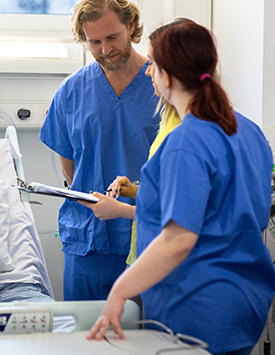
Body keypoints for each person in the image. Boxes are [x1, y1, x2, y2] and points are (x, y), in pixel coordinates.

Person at [84, 23, 275, 355]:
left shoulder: (186, 142)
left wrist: (120, 292)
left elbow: (178, 240)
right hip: (247, 299)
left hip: (198, 301)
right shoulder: (249, 131)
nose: (148, 75)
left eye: (154, 67)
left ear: (168, 77)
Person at [39, 0, 160, 301]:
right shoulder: (71, 91)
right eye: (95, 42)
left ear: (131, 26)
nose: (106, 50)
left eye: (112, 37)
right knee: (85, 339)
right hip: (87, 239)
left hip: (145, 235)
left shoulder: (161, 86)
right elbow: (70, 165)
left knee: (145, 342)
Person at [102, 18, 193, 266]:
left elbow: (181, 218)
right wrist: (130, 188)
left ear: (172, 69)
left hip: (178, 263)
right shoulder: (170, 116)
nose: (147, 70)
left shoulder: (191, 136)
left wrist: (120, 210)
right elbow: (168, 191)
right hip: (154, 252)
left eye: (153, 63)